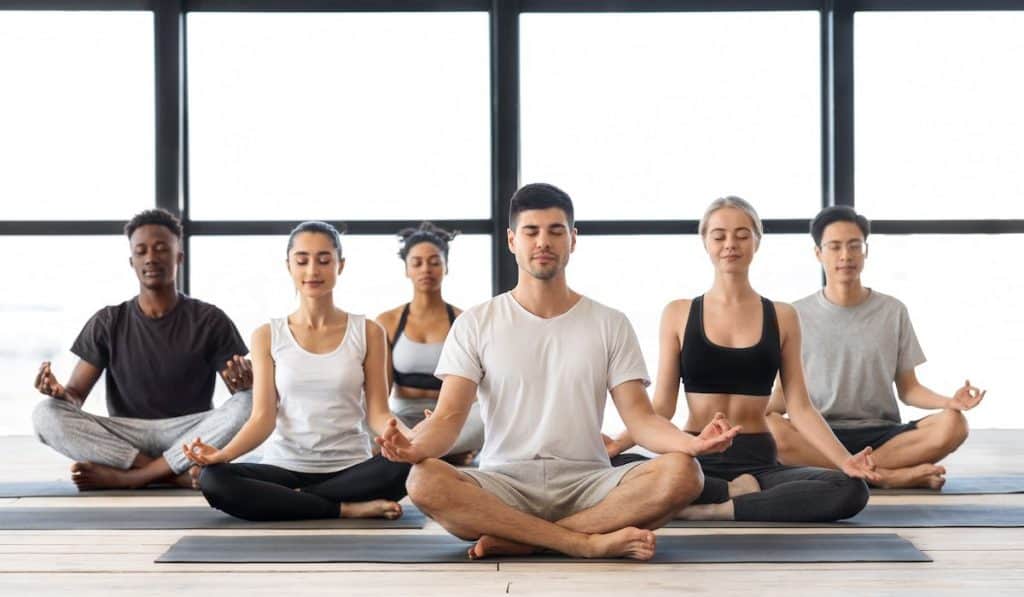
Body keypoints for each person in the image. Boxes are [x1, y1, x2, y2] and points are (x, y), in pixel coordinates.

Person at [377, 183, 740, 561]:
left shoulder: (609, 322)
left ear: (573, 239)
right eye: (531, 232)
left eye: (555, 231)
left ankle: (524, 539)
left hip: (589, 482)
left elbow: (642, 418)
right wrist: (414, 446)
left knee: (685, 472)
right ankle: (581, 541)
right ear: (512, 240)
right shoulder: (475, 323)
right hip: (503, 483)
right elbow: (449, 419)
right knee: (422, 478)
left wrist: (691, 444)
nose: (543, 242)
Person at [607, 196, 877, 522]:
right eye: (719, 236)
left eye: (742, 235)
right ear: (705, 242)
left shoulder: (783, 316)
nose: (730, 244)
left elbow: (800, 407)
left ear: (757, 242)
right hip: (692, 455)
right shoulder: (678, 313)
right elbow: (661, 408)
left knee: (850, 489)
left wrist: (844, 460)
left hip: (759, 461)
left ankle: (715, 507)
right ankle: (732, 493)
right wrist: (616, 445)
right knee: (611, 468)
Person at [183, 221, 411, 521]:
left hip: (351, 469)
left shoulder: (368, 331)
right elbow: (262, 418)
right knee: (213, 479)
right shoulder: (268, 335)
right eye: (302, 260)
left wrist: (412, 440)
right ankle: (342, 508)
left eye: (324, 260)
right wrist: (222, 455)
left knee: (407, 465)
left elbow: (378, 414)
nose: (312, 270)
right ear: (288, 265)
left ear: (340, 265)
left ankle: (289, 503)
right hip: (285, 467)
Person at [31, 208, 252, 490]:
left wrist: (246, 386)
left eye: (161, 249)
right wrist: (60, 394)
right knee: (44, 414)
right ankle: (172, 473)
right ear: (132, 261)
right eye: (141, 251)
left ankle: (132, 477)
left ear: (178, 257)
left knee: (252, 401)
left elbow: (239, 398)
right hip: (127, 435)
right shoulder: (108, 321)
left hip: (188, 433)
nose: (151, 258)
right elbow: (75, 396)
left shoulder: (209, 320)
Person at [765, 206, 984, 489]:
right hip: (818, 434)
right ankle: (889, 477)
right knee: (769, 428)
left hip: (884, 433)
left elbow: (909, 389)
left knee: (955, 424)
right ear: (818, 253)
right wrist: (749, 415)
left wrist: (949, 403)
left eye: (855, 246)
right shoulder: (793, 315)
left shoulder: (892, 311)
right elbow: (785, 398)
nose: (845, 256)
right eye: (835, 247)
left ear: (865, 251)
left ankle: (860, 472)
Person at [376, 222, 484, 464]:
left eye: (435, 262)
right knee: (362, 410)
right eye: (417, 263)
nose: (426, 269)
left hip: (449, 420)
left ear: (446, 267)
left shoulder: (463, 320)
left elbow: (473, 392)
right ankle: (433, 450)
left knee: (487, 413)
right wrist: (399, 429)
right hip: (402, 418)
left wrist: (441, 425)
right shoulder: (388, 321)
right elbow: (379, 394)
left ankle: (420, 448)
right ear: (406, 269)